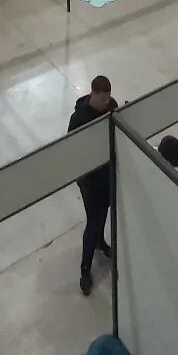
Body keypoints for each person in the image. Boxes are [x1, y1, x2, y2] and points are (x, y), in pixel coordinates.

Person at [68, 76, 118, 295]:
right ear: (93, 94)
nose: (107, 103)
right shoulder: (79, 117)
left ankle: (100, 241)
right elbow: (72, 147)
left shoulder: (111, 107)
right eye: (103, 98)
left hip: (107, 174)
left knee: (103, 212)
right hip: (89, 180)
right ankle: (85, 267)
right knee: (94, 219)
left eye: (108, 98)